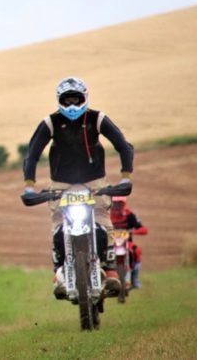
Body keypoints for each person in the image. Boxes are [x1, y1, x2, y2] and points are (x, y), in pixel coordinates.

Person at [22, 77, 134, 299]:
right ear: (59, 101)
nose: (72, 105)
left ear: (85, 98)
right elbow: (31, 155)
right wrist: (29, 187)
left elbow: (124, 146)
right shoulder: (50, 122)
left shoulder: (97, 119)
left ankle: (110, 268)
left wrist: (125, 178)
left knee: (102, 218)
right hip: (61, 184)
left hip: (95, 182)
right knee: (58, 222)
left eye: (76, 99)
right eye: (67, 100)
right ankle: (59, 271)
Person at [110, 196, 148, 288]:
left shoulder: (129, 214)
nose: (117, 206)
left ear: (123, 203)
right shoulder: (107, 214)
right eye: (115, 203)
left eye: (119, 203)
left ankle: (134, 279)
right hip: (110, 243)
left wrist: (132, 232)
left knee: (137, 251)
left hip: (126, 243)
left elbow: (144, 230)